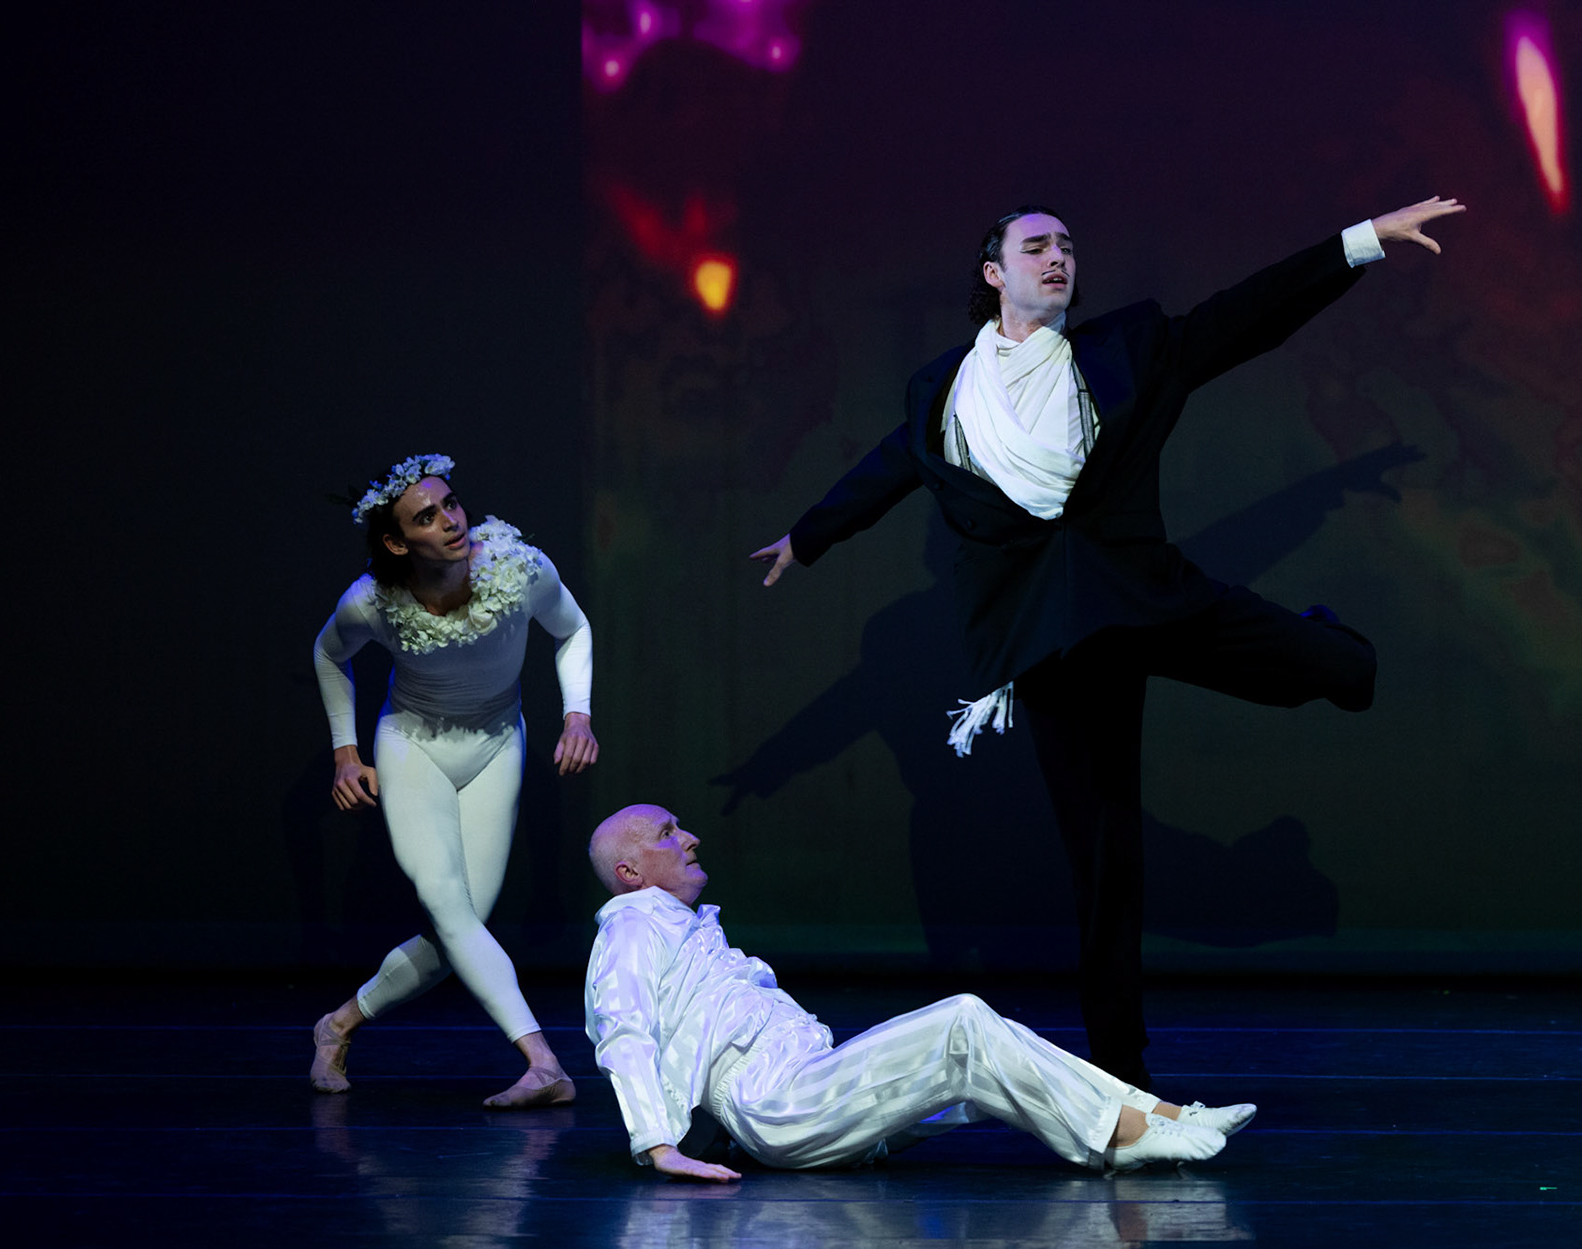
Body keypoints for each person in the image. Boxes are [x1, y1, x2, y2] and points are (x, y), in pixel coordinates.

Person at [750, 198, 1464, 1088]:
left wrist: (1358, 244)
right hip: (1052, 636)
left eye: (1067, 246)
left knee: (1337, 666)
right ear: (994, 273)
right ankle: (1120, 1068)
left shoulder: (1126, 348)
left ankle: (1332, 647)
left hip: (1143, 595)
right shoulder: (946, 391)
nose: (1058, 257)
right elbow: (891, 465)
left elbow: (1242, 319)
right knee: (1103, 855)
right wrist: (808, 536)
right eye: (1036, 246)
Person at [583, 804, 1257, 1181]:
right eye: (668, 833)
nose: (690, 836)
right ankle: (1119, 1136)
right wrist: (658, 1145)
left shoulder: (677, 924)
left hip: (803, 1089)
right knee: (962, 1021)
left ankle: (1161, 1113)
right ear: (630, 871)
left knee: (992, 1053)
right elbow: (623, 1027)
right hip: (780, 1102)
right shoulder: (633, 923)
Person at [308, 453, 599, 1108]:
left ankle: (339, 1023)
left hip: (496, 744)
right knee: (446, 900)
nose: (450, 521)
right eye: (427, 517)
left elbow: (573, 627)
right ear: (396, 541)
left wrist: (577, 714)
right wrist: (346, 753)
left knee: (458, 928)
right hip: (414, 745)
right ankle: (543, 1061)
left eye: (452, 503)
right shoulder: (371, 602)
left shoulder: (519, 569)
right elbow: (328, 654)